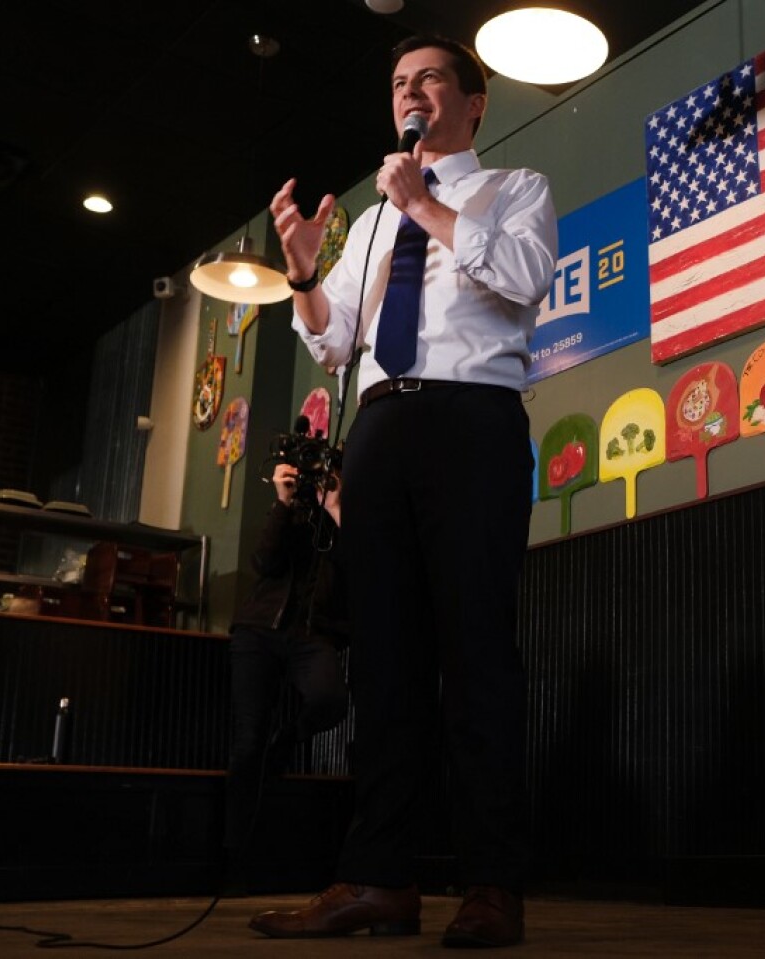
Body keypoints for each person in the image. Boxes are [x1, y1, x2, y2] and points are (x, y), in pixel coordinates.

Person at [251, 34, 556, 948]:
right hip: (380, 427)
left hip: (473, 421)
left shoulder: (515, 189)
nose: (407, 94)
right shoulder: (373, 218)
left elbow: (521, 277)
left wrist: (423, 203)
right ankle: (377, 877)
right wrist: (306, 271)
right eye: (395, 83)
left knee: (474, 655)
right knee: (382, 662)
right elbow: (334, 340)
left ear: (473, 102)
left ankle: (492, 882)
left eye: (426, 79)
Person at [225, 462, 348, 864]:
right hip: (259, 630)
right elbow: (263, 561)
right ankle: (236, 855)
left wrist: (335, 507)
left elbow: (362, 569)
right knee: (249, 743)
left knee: (330, 700)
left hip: (311, 635)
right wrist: (283, 502)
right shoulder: (288, 511)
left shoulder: (343, 520)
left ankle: (290, 736)